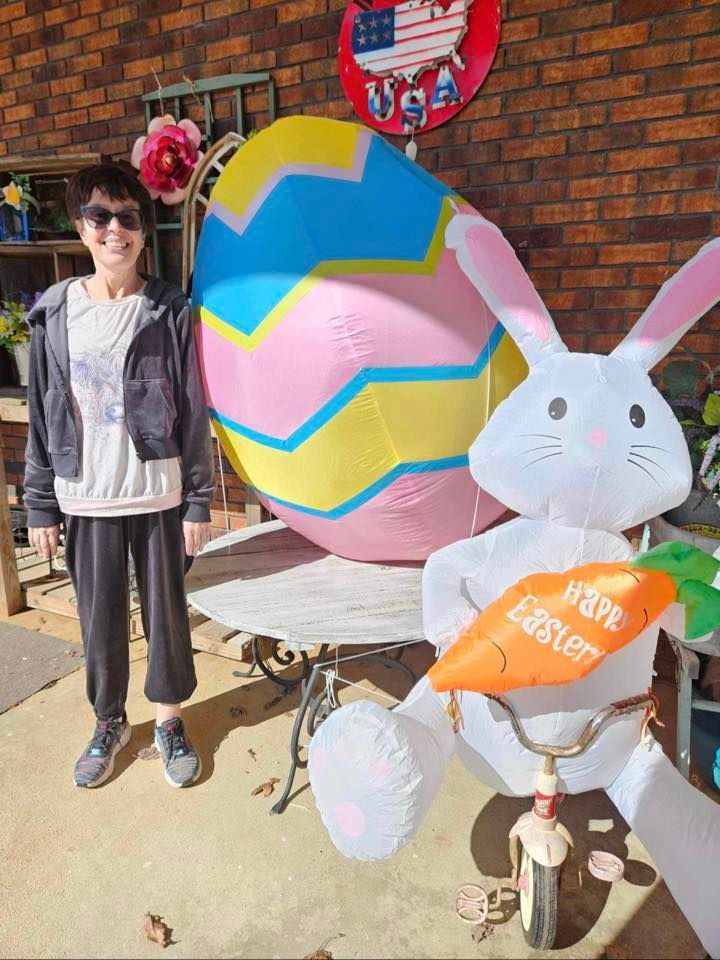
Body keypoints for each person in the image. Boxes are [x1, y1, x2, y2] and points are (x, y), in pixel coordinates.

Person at [23, 162, 214, 789]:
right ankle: (109, 721)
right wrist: (41, 502)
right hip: (85, 495)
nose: (115, 230)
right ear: (81, 227)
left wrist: (198, 501)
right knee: (98, 620)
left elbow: (191, 406)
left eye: (127, 217)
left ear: (141, 228)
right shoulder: (55, 314)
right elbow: (42, 415)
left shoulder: (166, 309)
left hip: (156, 492)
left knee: (166, 616)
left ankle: (168, 721)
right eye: (100, 217)